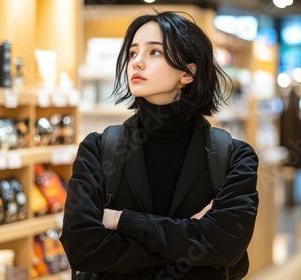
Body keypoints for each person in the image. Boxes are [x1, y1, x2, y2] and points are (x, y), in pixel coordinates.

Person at [60, 9, 259, 280]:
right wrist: (191, 237)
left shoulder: (233, 156)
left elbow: (227, 246)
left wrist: (122, 221)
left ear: (188, 72)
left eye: (154, 52)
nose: (137, 63)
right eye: (132, 53)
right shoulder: (97, 149)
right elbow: (82, 247)